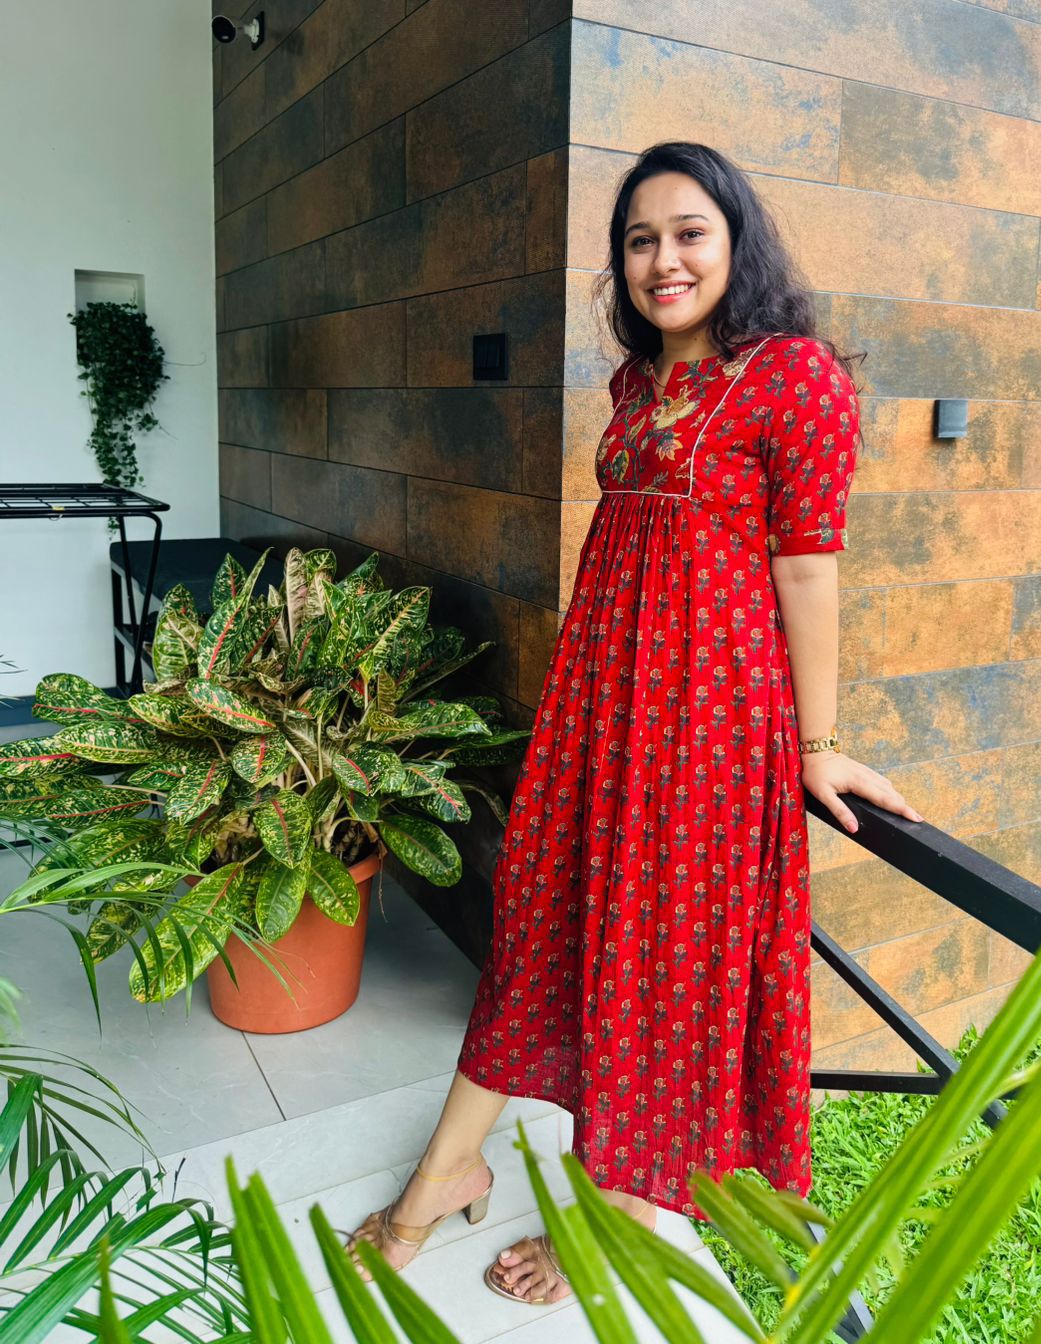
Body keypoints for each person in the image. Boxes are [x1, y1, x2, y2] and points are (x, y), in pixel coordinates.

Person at [343, 140, 924, 1303]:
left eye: (690, 233)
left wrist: (817, 748)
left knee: (663, 965)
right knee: (538, 927)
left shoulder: (795, 378)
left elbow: (808, 568)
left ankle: (610, 1217)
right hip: (601, 710)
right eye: (640, 240)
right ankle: (451, 1167)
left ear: (737, 241)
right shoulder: (635, 384)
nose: (665, 260)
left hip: (711, 727)